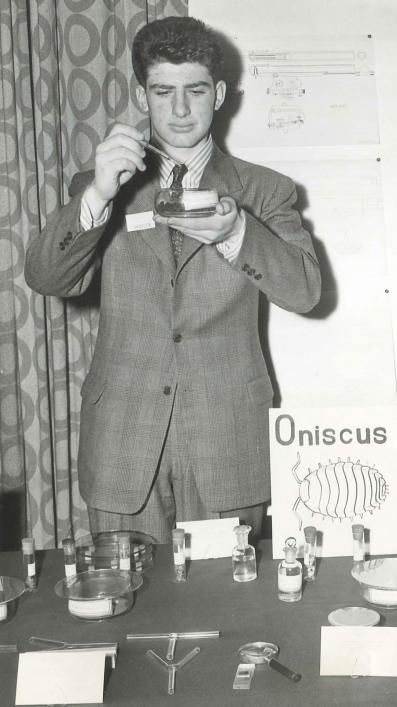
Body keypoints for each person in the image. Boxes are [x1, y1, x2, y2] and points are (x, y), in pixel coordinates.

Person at [24, 16, 321, 543]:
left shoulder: (265, 190)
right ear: (143, 96)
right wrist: (96, 195)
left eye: (195, 90)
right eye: (163, 92)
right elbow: (47, 277)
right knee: (125, 612)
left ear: (220, 94)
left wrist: (235, 234)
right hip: (123, 441)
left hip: (227, 442)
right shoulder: (101, 183)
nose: (180, 110)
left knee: (228, 613)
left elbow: (305, 291)